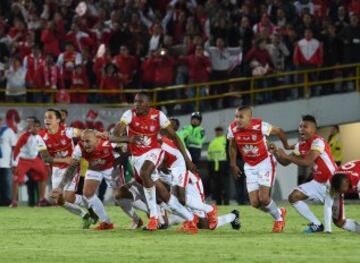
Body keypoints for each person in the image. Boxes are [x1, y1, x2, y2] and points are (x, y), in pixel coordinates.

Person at [113, 92, 197, 231]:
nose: (136, 105)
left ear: (148, 104)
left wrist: (187, 160)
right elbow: (114, 137)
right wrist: (128, 139)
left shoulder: (158, 116)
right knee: (162, 196)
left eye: (140, 102)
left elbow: (175, 137)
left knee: (146, 173)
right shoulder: (129, 115)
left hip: (154, 152)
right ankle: (190, 218)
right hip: (137, 159)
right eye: (135, 101)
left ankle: (154, 218)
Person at [228, 105, 292, 233]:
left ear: (249, 118)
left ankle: (279, 219)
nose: (237, 120)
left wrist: (286, 145)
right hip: (249, 165)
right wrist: (233, 164)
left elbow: (279, 131)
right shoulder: (232, 128)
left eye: (241, 117)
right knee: (255, 203)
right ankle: (279, 212)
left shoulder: (260, 126)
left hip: (265, 162)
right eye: (236, 116)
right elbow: (233, 146)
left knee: (264, 199)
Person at [272, 115, 337, 233]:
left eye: (305, 126)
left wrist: (286, 155)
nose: (301, 129)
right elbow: (285, 162)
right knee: (293, 197)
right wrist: (276, 152)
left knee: (339, 221)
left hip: (333, 182)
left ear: (313, 129)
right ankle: (317, 225)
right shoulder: (300, 145)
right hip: (317, 183)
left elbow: (307, 162)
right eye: (300, 126)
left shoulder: (318, 141)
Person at [37, 109, 96, 228]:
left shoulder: (67, 131)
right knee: (58, 200)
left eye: (50, 117)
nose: (46, 120)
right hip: (57, 170)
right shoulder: (41, 136)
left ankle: (92, 209)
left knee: (69, 197)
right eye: (45, 117)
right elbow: (46, 158)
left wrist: (97, 135)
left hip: (73, 167)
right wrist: (64, 160)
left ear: (58, 120)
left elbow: (83, 133)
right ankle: (84, 215)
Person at [52, 130, 119, 230]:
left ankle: (149, 213)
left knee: (121, 196)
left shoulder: (69, 131)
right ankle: (98, 218)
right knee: (69, 197)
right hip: (88, 169)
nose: (85, 144)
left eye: (87, 141)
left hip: (109, 168)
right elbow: (71, 166)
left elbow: (122, 143)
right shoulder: (79, 146)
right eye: (83, 141)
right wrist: (60, 187)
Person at [10, 118, 49, 207]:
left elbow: (43, 151)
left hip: (34, 160)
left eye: (37, 127)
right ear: (31, 127)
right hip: (23, 160)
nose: (35, 128)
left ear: (39, 128)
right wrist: (14, 163)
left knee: (44, 174)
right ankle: (13, 202)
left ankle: (41, 199)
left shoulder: (40, 138)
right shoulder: (25, 136)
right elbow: (16, 150)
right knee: (16, 179)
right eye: (33, 126)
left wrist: (46, 163)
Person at [330, 160, 360, 233]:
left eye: (343, 189)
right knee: (338, 221)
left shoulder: (357, 179)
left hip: (357, 176)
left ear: (347, 181)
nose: (342, 192)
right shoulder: (332, 180)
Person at [207, 126, 229, 205]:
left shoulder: (225, 140)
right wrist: (210, 167)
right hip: (214, 166)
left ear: (222, 132)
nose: (218, 132)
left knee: (225, 186)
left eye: (219, 131)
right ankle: (218, 202)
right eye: (217, 131)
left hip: (223, 165)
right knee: (216, 187)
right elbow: (209, 155)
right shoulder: (212, 142)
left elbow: (229, 152)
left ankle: (226, 202)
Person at [0, 117, 17, 206]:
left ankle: (5, 201)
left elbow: (14, 147)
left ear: (2, 121)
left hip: (4, 162)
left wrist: (13, 161)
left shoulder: (8, 131)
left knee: (5, 183)